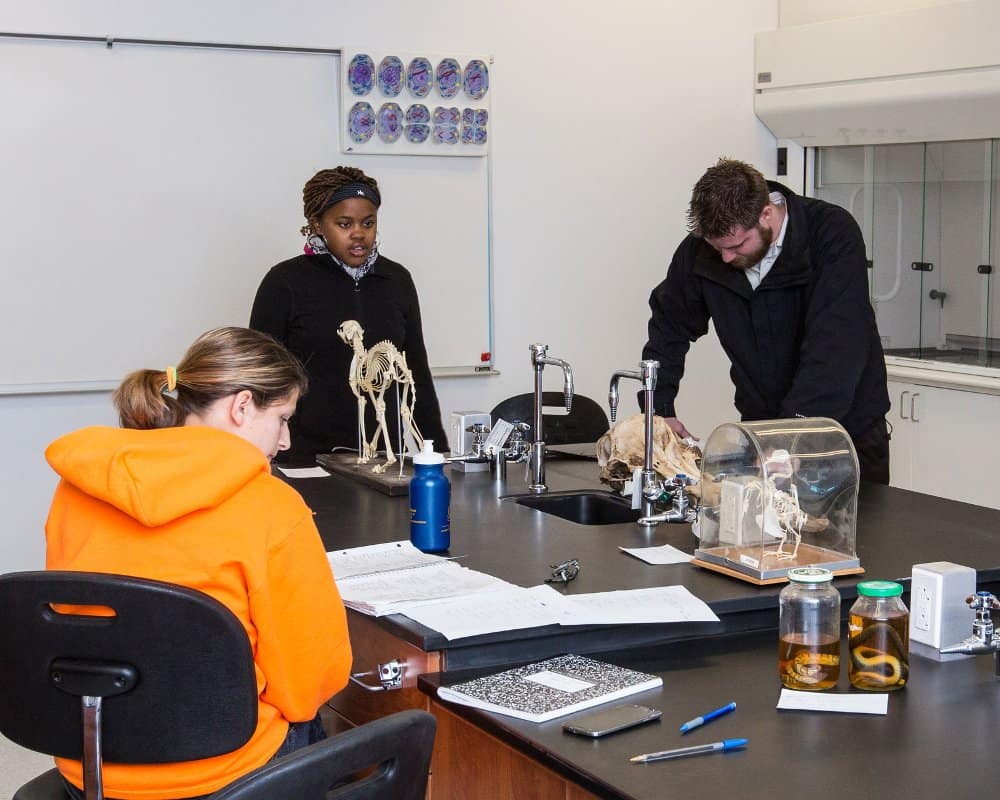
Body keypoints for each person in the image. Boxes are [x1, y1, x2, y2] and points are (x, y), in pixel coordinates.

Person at [44, 327, 352, 800]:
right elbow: (307, 686)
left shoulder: (76, 489)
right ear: (242, 406)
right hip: (223, 772)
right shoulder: (270, 503)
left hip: (91, 761)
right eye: (283, 418)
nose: (286, 440)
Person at [642, 157, 891, 484]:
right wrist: (659, 411)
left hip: (842, 433)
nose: (726, 258)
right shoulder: (700, 252)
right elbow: (668, 327)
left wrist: (794, 436)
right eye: (717, 249)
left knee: (851, 533)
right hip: (762, 428)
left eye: (736, 246)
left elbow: (837, 343)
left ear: (766, 214)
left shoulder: (830, 233)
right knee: (766, 531)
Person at [250, 166, 448, 463]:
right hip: (305, 457)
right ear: (317, 225)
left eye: (368, 223)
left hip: (384, 460)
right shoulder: (285, 282)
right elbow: (259, 377)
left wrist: (439, 454)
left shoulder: (397, 280)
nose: (358, 234)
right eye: (344, 224)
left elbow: (416, 370)